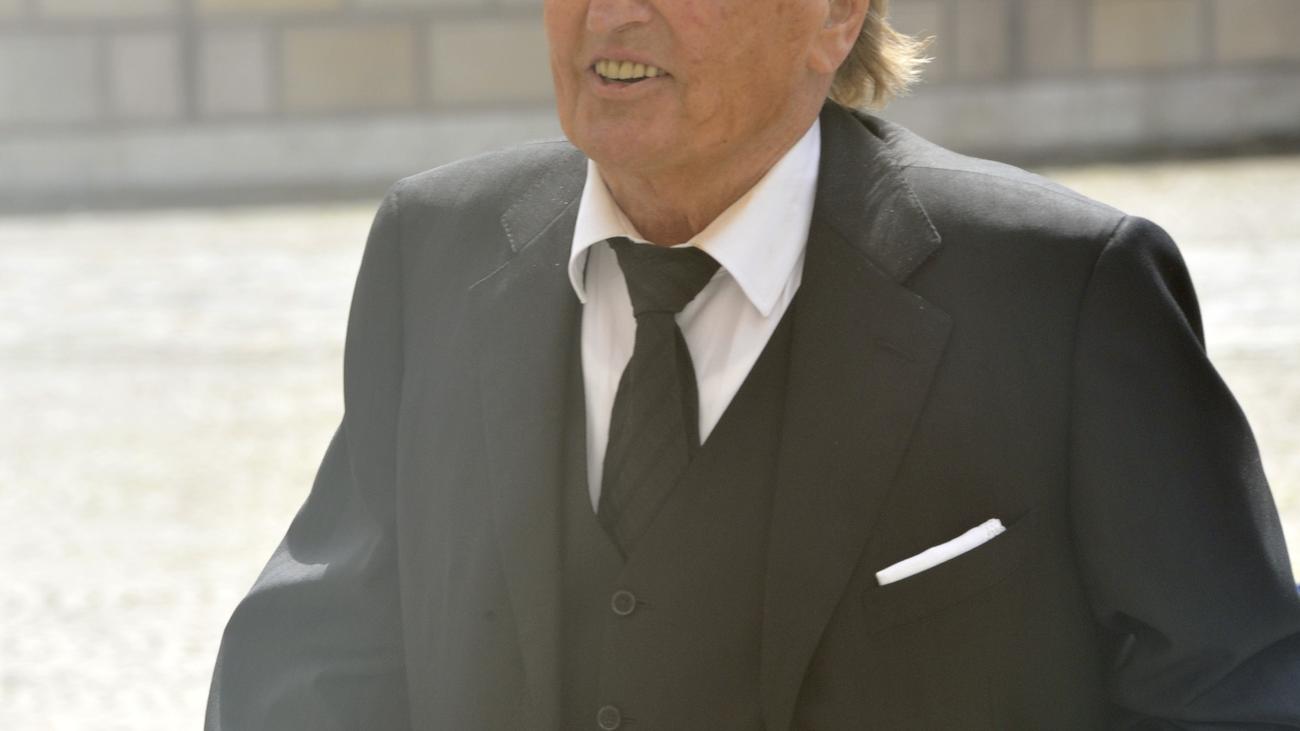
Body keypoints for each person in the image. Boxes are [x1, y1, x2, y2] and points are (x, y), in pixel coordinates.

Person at [206, 0, 1300, 728]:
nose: (612, 11)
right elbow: (315, 658)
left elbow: (1234, 692)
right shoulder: (434, 249)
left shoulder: (1065, 291)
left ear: (833, 16)